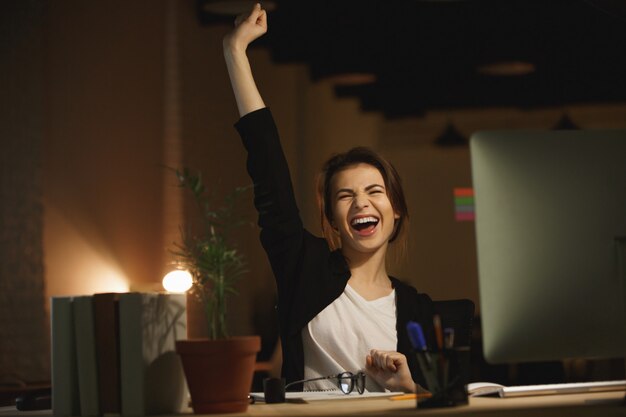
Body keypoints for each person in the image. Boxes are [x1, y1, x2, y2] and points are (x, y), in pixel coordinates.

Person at [223, 3, 435, 393]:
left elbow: (441, 404)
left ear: (397, 210)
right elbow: (269, 171)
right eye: (345, 196)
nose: (361, 203)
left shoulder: (417, 309)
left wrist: (409, 387)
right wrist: (235, 52)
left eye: (374, 191)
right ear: (333, 219)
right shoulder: (304, 267)